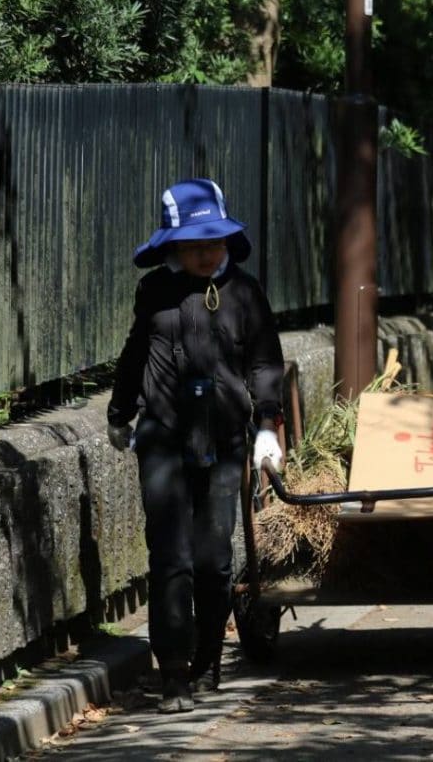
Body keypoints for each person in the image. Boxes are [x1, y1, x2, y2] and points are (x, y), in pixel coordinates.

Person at [107, 178, 285, 713]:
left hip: (227, 438)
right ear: (172, 247)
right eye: (193, 245)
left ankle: (209, 659)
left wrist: (267, 427)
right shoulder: (155, 293)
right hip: (163, 437)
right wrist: (120, 413)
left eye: (214, 243)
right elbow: (136, 351)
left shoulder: (246, 294)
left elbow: (264, 362)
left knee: (213, 561)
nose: (206, 254)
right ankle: (175, 674)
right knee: (170, 558)